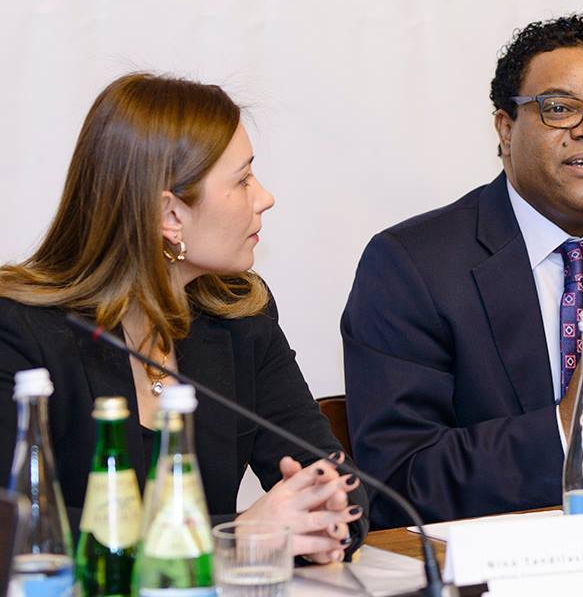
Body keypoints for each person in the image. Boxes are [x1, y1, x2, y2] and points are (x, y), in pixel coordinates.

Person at [343, 14, 583, 526]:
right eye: (560, 108)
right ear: (505, 127)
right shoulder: (412, 266)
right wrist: (571, 423)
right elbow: (399, 481)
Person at [0, 73, 366, 562]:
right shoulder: (19, 333)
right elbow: (17, 534)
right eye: (242, 180)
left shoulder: (240, 313)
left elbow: (335, 478)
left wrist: (323, 518)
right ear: (170, 216)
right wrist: (231, 538)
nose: (265, 197)